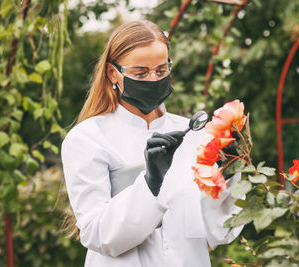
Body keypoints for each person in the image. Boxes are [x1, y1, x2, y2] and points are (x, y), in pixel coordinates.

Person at [61, 20, 242, 267]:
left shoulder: (191, 134)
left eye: (160, 70)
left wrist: (228, 177)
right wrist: (150, 184)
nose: (153, 79)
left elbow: (218, 232)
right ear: (113, 73)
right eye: (140, 73)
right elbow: (97, 234)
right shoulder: (87, 138)